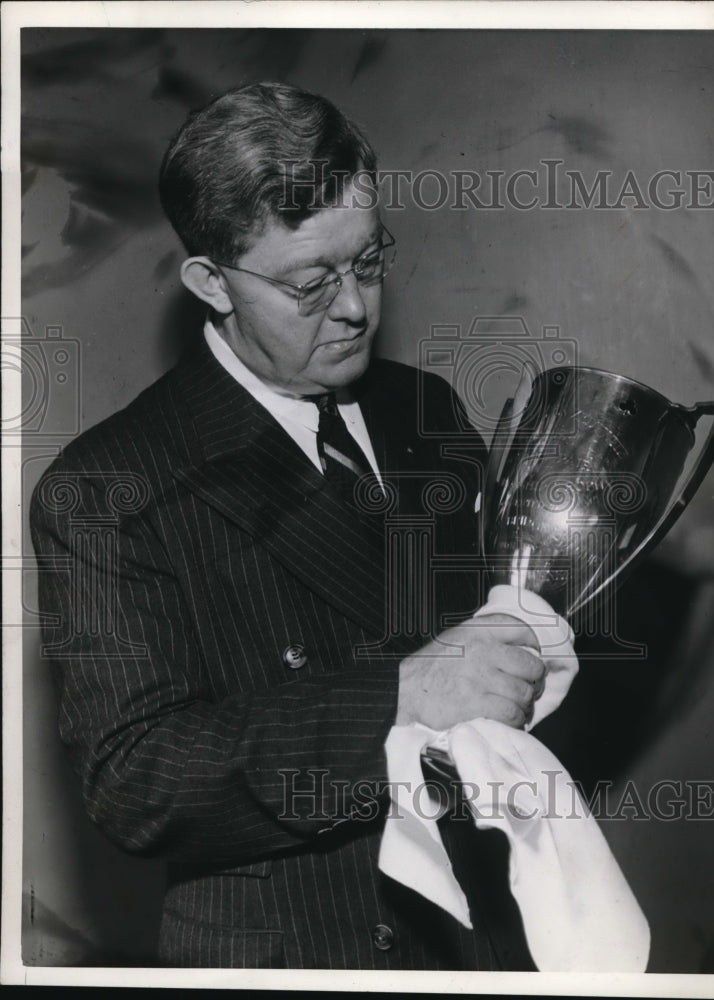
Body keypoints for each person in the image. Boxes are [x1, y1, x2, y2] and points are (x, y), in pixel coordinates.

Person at [30, 81, 549, 970]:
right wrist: (395, 696)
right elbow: (136, 784)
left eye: (369, 261)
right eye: (310, 284)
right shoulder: (106, 485)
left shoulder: (422, 409)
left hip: (479, 934)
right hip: (300, 951)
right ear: (210, 283)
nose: (353, 308)